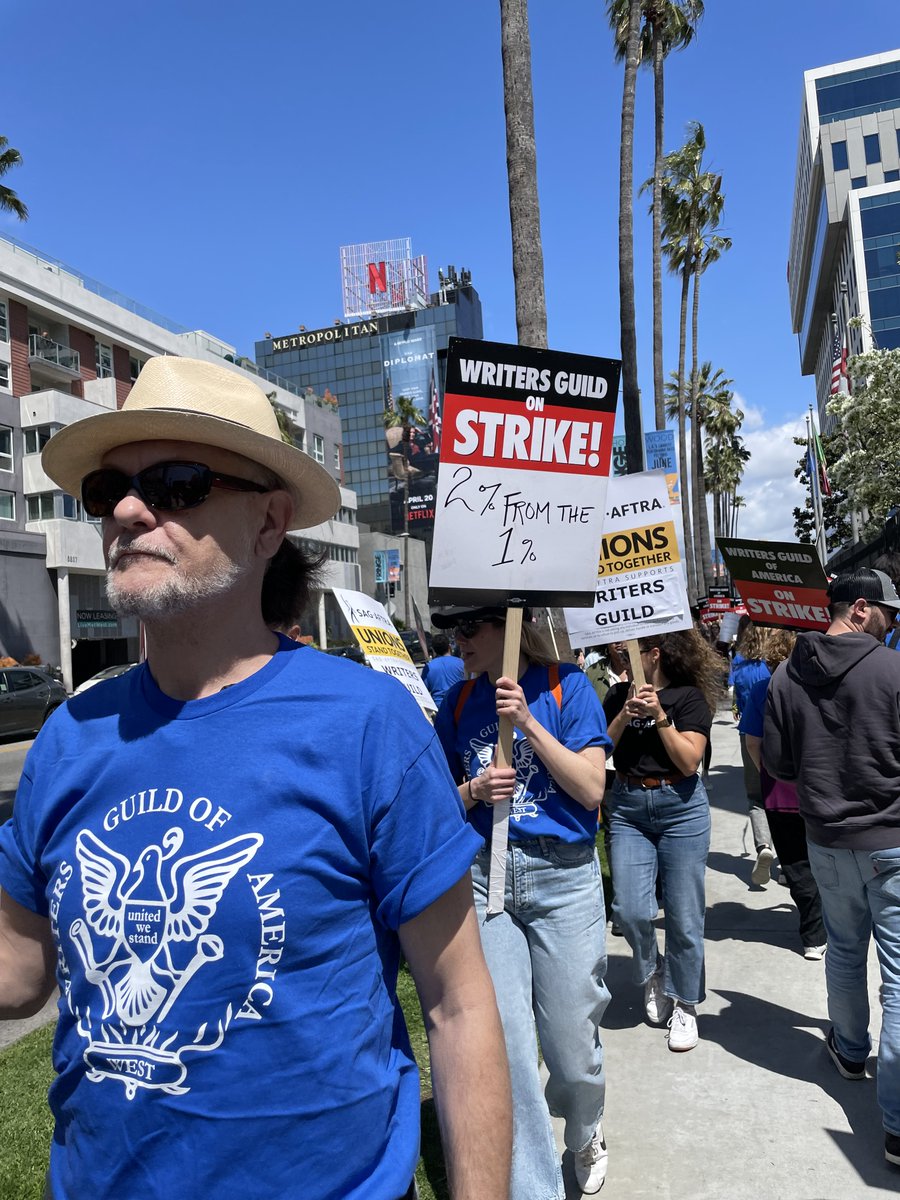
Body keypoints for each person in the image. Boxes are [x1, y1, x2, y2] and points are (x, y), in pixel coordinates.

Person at [0, 356, 512, 1200]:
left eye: (175, 483)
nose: (128, 511)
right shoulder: (68, 737)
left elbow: (458, 1004)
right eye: (108, 489)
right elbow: (20, 980)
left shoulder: (367, 725)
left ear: (270, 521)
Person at [432, 605, 611, 1199]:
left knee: (570, 1047)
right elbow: (435, 805)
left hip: (564, 881)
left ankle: (585, 1130)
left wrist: (530, 724)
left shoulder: (569, 685)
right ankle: (536, 1189)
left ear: (508, 629)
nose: (458, 641)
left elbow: (590, 790)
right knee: (503, 1044)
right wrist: (474, 788)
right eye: (451, 630)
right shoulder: (457, 704)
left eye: (469, 629)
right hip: (488, 881)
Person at [765, 567, 900, 1169]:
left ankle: (850, 1052)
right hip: (890, 841)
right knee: (897, 980)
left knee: (845, 951)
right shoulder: (892, 670)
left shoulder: (784, 676)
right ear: (864, 609)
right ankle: (895, 1125)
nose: (892, 629)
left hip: (825, 838)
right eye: (891, 618)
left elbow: (779, 763)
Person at [603, 628, 722, 1052]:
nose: (619, 653)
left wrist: (659, 716)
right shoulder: (617, 697)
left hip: (681, 807)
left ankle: (685, 1004)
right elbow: (598, 752)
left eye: (628, 648)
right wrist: (624, 713)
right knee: (631, 910)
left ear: (652, 655)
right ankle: (653, 972)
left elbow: (690, 761)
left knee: (684, 914)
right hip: (629, 806)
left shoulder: (688, 698)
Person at [739, 628, 826, 958]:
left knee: (796, 864)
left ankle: (813, 934)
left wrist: (769, 773)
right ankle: (829, 921)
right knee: (825, 860)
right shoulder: (821, 688)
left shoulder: (763, 688)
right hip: (821, 789)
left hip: (779, 793)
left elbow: (751, 741)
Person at [730, 620, 776, 886]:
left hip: (749, 733)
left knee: (756, 797)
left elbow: (736, 693)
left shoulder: (740, 662)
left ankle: (763, 846)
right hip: (779, 736)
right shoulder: (772, 666)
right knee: (782, 797)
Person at [421, 633, 464, 709]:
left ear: (434, 649)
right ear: (449, 647)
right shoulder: (461, 663)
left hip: (439, 707)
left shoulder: (429, 667)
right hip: (459, 705)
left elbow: (424, 690)